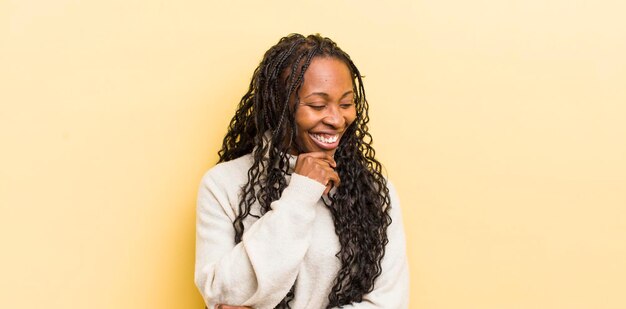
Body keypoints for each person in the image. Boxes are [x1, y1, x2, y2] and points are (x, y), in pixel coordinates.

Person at [195, 33, 409, 309]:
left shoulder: (374, 192)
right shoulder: (222, 185)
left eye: (346, 104)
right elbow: (223, 296)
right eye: (318, 105)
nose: (336, 119)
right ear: (280, 108)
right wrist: (300, 194)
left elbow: (389, 303)